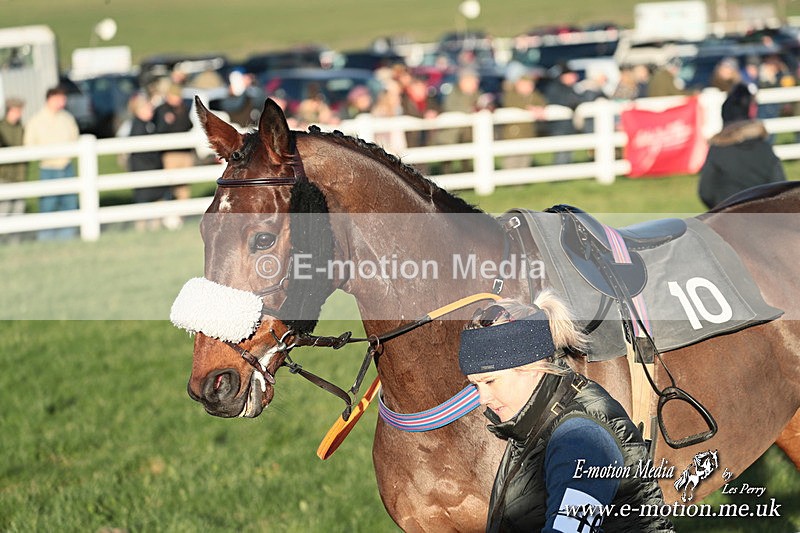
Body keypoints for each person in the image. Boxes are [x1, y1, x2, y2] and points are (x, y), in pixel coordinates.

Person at [459, 294, 674, 532]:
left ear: (532, 366)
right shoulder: (532, 423)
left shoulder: (581, 439)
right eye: (475, 385)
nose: (483, 399)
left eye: (490, 381)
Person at [698, 82, 786, 210]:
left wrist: (720, 208)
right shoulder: (765, 149)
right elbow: (780, 187)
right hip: (761, 214)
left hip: (726, 214)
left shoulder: (718, 149)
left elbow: (705, 191)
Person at [23, 85, 80, 240]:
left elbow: (74, 138)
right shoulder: (36, 120)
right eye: (60, 99)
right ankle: (46, 237)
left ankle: (68, 237)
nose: (63, 102)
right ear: (50, 99)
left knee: (69, 202)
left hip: (66, 165)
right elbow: (29, 144)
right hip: (48, 167)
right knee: (48, 204)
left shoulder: (67, 118)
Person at [154, 83, 194, 229]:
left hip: (184, 152)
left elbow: (188, 125)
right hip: (170, 154)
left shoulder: (184, 108)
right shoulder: (161, 110)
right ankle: (168, 218)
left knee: (183, 187)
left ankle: (181, 218)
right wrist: (168, 122)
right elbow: (159, 129)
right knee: (170, 185)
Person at [127, 94, 170, 230]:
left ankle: (155, 229)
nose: (151, 109)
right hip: (144, 171)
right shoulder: (137, 126)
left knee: (157, 202)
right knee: (144, 204)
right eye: (147, 107)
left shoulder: (149, 124)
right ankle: (141, 229)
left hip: (153, 170)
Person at [500, 71, 547, 169]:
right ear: (518, 84)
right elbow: (510, 104)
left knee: (525, 160)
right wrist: (530, 108)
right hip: (513, 134)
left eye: (531, 85)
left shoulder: (534, 95)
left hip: (527, 133)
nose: (529, 87)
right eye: (526, 84)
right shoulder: (510, 94)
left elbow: (542, 102)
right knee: (512, 160)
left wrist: (540, 108)